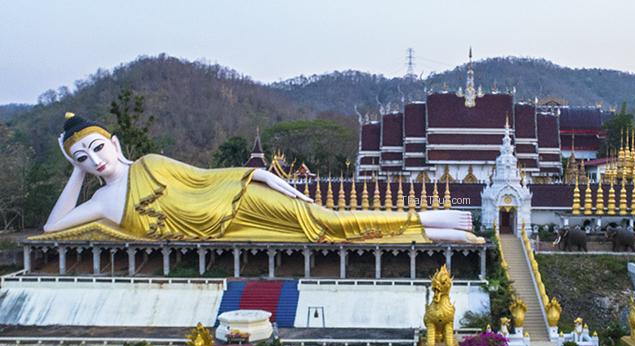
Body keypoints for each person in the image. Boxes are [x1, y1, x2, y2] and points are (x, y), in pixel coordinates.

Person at [44, 113, 482, 244]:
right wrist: (73, 171)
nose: (95, 160)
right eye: (84, 158)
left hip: (241, 199)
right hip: (230, 231)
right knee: (326, 233)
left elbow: (205, 176)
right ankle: (428, 225)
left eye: (97, 148)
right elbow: (51, 228)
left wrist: (262, 176)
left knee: (328, 221)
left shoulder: (151, 165)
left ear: (115, 144)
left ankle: (426, 219)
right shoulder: (102, 203)